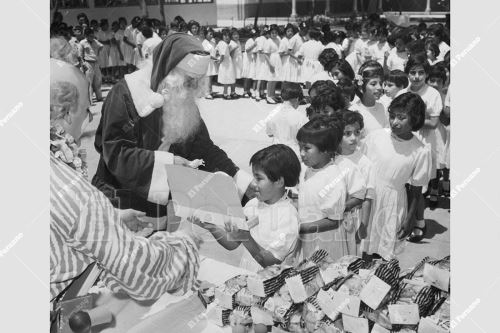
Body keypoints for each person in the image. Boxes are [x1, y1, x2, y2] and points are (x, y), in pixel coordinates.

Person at [50, 58, 201, 304]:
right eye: (87, 110)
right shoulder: (76, 194)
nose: (88, 120)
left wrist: (111, 218)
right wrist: (184, 242)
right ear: (66, 114)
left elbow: (61, 221)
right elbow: (137, 272)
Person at [92, 33, 254, 226]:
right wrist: (170, 162)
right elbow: (115, 153)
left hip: (159, 204)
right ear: (168, 70)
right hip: (119, 201)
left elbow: (204, 150)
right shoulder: (125, 94)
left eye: (198, 80)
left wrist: (242, 181)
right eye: (189, 79)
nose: (193, 87)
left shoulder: (182, 96)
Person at [194, 145, 301, 272]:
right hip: (248, 274)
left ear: (279, 181)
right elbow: (232, 243)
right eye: (254, 177)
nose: (253, 183)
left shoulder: (287, 216)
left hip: (271, 283)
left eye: (259, 178)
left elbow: (272, 263)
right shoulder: (253, 204)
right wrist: (209, 225)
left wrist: (246, 237)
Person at [361, 93, 431, 260]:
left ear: (414, 118)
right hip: (366, 199)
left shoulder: (420, 150)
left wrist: (410, 218)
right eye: (392, 116)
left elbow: (416, 190)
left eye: (401, 117)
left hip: (391, 204)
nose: (394, 122)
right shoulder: (375, 137)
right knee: (361, 248)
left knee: (381, 253)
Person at [401, 54, 444, 241]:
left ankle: (419, 222)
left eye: (421, 73)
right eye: (412, 72)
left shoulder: (432, 94)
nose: (416, 76)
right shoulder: (403, 93)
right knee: (404, 185)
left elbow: (434, 123)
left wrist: (411, 121)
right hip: (403, 143)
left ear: (426, 74)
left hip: (423, 145)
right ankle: (405, 220)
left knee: (417, 188)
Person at [296, 116, 347, 259]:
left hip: (324, 244)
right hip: (306, 238)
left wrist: (300, 228)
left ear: (325, 149)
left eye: (306, 148)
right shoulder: (306, 169)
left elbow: (334, 220)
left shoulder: (332, 178)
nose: (301, 153)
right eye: (300, 147)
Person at [338, 110, 375, 257]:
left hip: (353, 216)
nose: (353, 138)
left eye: (357, 132)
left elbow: (368, 196)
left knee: (351, 256)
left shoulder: (365, 163)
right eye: (347, 133)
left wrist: (363, 225)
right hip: (331, 217)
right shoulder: (330, 158)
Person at [265, 82, 308, 159]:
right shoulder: (301, 117)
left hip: (275, 153)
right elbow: (306, 139)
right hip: (294, 154)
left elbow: (269, 134)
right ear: (298, 98)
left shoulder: (272, 114)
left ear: (282, 97)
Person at [349, 61, 388, 138]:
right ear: (361, 87)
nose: (379, 87)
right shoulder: (353, 111)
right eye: (373, 84)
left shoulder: (383, 106)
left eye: (380, 83)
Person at [79, 28, 103, 102]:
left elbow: (101, 46)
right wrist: (83, 64)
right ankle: (89, 99)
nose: (92, 37)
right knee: (89, 82)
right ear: (86, 36)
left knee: (98, 80)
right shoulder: (82, 43)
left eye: (93, 35)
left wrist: (98, 54)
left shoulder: (95, 41)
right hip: (88, 63)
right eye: (90, 36)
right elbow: (80, 55)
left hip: (95, 63)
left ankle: (99, 97)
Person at [262, 24, 282, 104]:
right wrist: (270, 65)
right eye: (272, 33)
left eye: (275, 32)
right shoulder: (268, 42)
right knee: (271, 79)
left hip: (277, 60)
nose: (274, 34)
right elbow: (266, 54)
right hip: (271, 60)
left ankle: (273, 95)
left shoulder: (278, 39)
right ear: (269, 33)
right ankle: (268, 96)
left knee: (275, 79)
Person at [217, 29, 237, 99]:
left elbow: (217, 51)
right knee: (227, 78)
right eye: (225, 35)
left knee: (227, 78)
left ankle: (225, 92)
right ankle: (225, 93)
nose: (227, 37)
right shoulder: (224, 44)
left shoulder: (220, 43)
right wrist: (220, 61)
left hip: (227, 62)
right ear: (222, 36)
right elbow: (222, 55)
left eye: (228, 36)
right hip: (226, 63)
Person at [201, 27, 219, 99]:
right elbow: (206, 54)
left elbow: (214, 51)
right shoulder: (204, 43)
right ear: (206, 35)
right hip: (207, 62)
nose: (212, 35)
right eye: (210, 34)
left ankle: (210, 91)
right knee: (207, 77)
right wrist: (215, 58)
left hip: (212, 62)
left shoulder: (213, 42)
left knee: (211, 77)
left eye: (212, 34)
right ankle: (206, 93)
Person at [241, 28, 258, 98]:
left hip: (252, 60)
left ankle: (248, 90)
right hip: (247, 60)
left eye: (256, 35)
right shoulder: (249, 41)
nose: (255, 36)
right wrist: (254, 45)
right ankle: (245, 91)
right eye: (254, 35)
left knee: (250, 76)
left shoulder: (256, 41)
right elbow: (247, 50)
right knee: (247, 76)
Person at [96, 19, 113, 83]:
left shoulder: (110, 32)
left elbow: (110, 41)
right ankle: (103, 78)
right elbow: (98, 42)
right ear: (102, 26)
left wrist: (103, 42)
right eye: (105, 25)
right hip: (101, 51)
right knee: (102, 65)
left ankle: (110, 78)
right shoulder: (99, 33)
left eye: (107, 25)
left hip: (109, 50)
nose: (107, 26)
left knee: (109, 65)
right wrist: (105, 42)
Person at [230, 28, 243, 93]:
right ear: (231, 36)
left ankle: (233, 91)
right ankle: (232, 91)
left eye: (237, 34)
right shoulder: (231, 43)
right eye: (234, 34)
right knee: (233, 76)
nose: (236, 36)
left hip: (238, 61)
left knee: (235, 77)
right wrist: (234, 49)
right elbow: (230, 54)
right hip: (233, 62)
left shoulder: (238, 42)